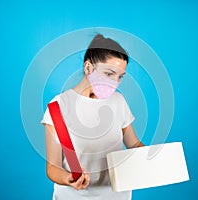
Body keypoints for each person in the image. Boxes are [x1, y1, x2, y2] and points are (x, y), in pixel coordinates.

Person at [41, 33, 145, 200]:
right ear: (88, 68)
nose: (115, 82)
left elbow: (133, 143)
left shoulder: (119, 101)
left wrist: (155, 158)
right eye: (109, 74)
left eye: (120, 77)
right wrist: (68, 178)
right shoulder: (59, 106)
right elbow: (53, 167)